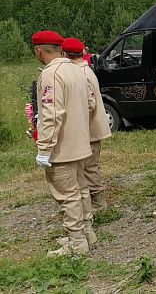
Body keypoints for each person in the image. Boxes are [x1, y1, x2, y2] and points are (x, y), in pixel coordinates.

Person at [32, 30, 95, 257]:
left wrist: (44, 147)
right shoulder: (76, 68)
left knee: (67, 194)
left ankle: (77, 241)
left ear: (39, 51)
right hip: (80, 142)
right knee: (81, 189)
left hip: (63, 146)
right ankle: (86, 231)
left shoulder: (51, 73)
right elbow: (89, 102)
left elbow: (51, 113)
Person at [61, 37, 112, 213]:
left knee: (90, 167)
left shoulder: (80, 73)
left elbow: (88, 104)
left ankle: (97, 203)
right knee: (90, 166)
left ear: (65, 54)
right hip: (89, 129)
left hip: (88, 129)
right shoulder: (84, 70)